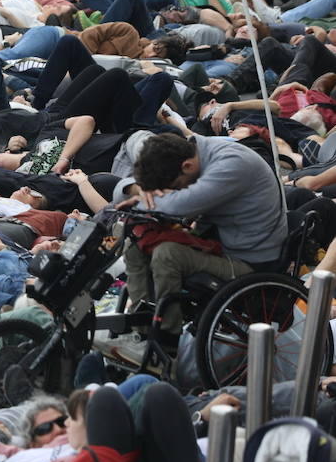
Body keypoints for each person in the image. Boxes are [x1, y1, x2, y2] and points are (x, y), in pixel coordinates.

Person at [123, 132, 290, 340]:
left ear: (187, 167)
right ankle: (142, 328)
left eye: (175, 188)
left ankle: (167, 340)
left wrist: (139, 197)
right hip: (220, 242)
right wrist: (137, 188)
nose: (173, 192)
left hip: (251, 262)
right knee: (135, 245)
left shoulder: (231, 164)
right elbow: (134, 138)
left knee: (168, 254)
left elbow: (178, 205)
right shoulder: (196, 154)